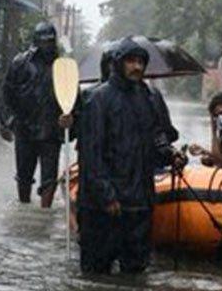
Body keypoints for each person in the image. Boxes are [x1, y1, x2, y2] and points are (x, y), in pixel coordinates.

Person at [76, 38, 185, 274]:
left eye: (140, 62)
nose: (137, 67)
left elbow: (155, 138)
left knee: (136, 272)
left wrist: (170, 155)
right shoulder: (97, 100)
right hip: (103, 205)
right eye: (131, 61)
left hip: (139, 202)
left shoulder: (148, 98)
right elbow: (92, 154)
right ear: (118, 64)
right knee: (96, 272)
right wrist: (107, 196)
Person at [0, 22, 70, 206]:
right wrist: (5, 123)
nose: (47, 46)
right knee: (24, 175)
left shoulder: (62, 67)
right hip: (24, 127)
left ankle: (45, 213)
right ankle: (23, 207)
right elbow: (7, 93)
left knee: (49, 178)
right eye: (43, 41)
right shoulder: (20, 63)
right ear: (36, 41)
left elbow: (72, 100)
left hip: (51, 131)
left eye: (50, 42)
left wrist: (69, 119)